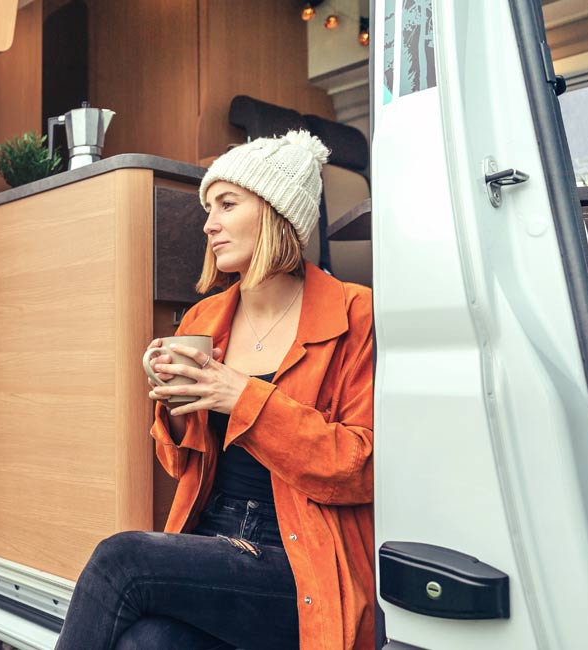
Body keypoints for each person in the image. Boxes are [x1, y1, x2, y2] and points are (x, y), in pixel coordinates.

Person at [53, 130, 376, 650]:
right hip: (213, 538)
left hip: (302, 556)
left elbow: (360, 467)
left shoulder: (353, 312)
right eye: (209, 207)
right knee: (148, 643)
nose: (209, 223)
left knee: (122, 560)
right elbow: (179, 464)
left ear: (275, 211)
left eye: (227, 204)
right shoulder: (206, 317)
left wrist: (240, 396)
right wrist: (172, 401)